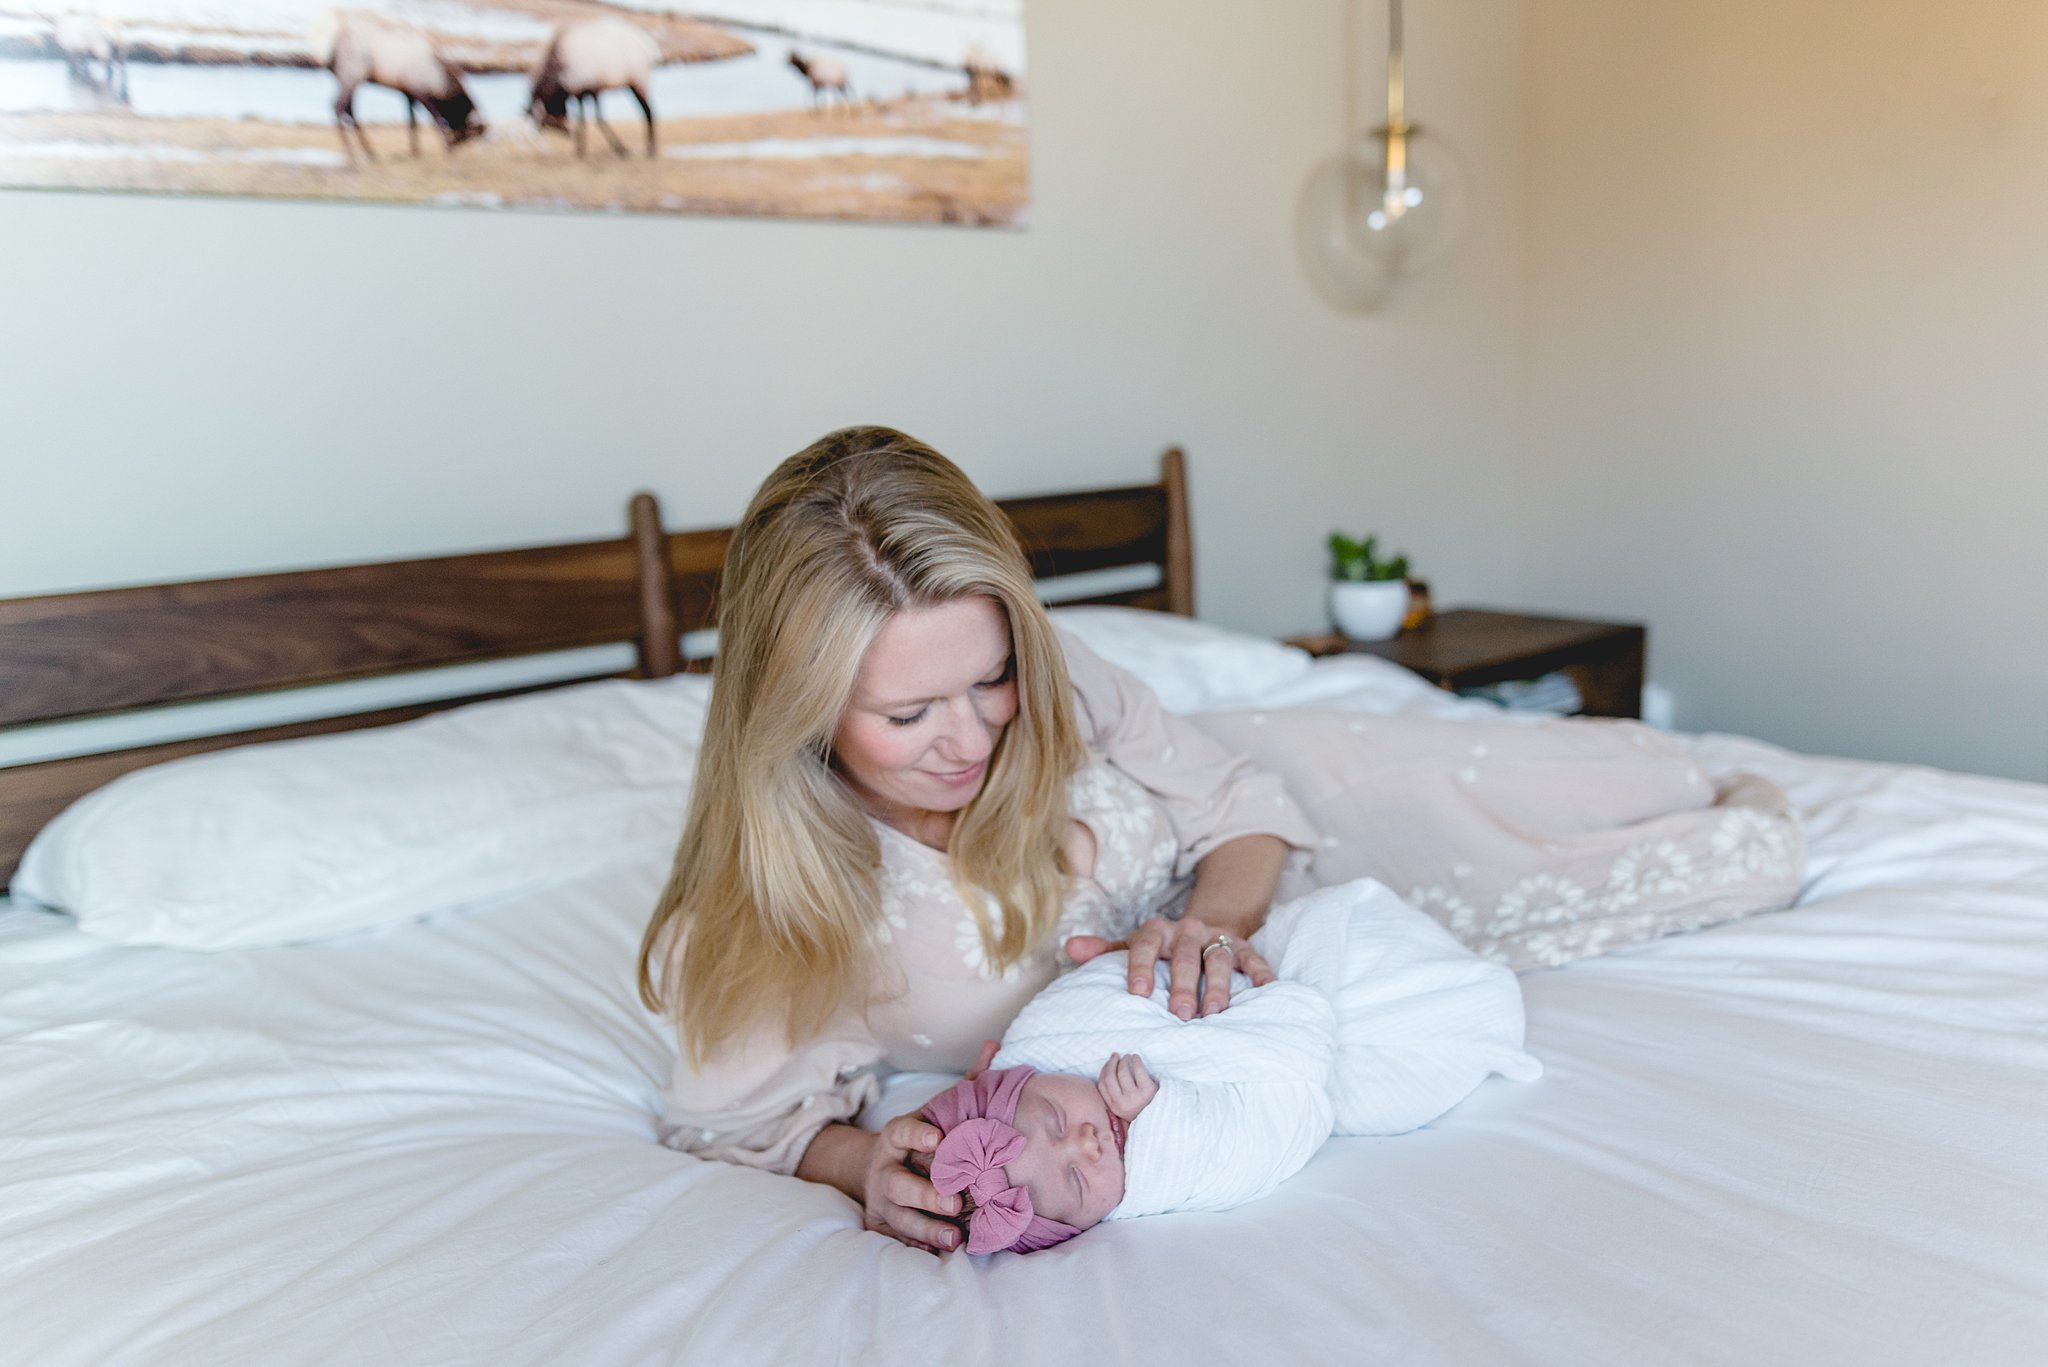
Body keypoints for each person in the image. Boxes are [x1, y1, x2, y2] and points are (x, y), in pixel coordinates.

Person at [637, 426, 1320, 1254]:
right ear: (801, 710)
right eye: (908, 714)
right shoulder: (775, 898)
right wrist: (867, 1163)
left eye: (990, 678)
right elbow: (743, 1120)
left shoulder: (1051, 671)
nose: (973, 739)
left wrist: (1212, 923)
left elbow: (1241, 801)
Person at [916, 875, 1542, 1256]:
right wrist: (1157, 1111)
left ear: (1013, 1074)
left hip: (1270, 973)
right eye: (1079, 1184)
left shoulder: (1054, 1039)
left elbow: (1115, 991)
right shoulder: (1161, 1172)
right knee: (1408, 1067)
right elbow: (1264, 1131)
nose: (1086, 1143)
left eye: (1054, 1118)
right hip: (1319, 1064)